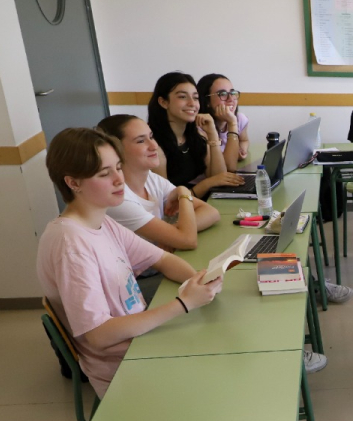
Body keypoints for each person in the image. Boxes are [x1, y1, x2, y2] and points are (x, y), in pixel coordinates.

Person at [37, 128, 225, 398]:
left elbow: (163, 259)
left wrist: (197, 281)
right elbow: (98, 335)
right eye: (104, 174)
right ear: (73, 183)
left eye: (118, 168)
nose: (118, 180)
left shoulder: (103, 221)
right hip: (124, 368)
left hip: (143, 341)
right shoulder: (71, 245)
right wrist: (184, 303)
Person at [96, 114, 221, 250]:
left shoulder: (150, 178)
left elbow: (211, 212)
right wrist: (184, 193)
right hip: (141, 272)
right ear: (116, 150)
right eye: (140, 141)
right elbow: (188, 240)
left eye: (151, 137)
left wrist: (171, 233)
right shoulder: (117, 198)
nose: (154, 145)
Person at [146, 71, 244, 196]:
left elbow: (220, 178)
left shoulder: (197, 136)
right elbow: (165, 204)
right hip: (176, 210)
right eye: (182, 97)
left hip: (195, 203)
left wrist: (213, 134)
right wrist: (206, 184)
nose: (192, 103)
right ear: (163, 102)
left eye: (195, 97)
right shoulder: (154, 146)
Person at [197, 73, 249, 171]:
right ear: (207, 101)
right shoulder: (201, 126)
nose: (231, 99)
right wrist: (232, 123)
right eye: (223, 94)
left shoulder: (240, 119)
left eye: (232, 93)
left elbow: (244, 140)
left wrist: (242, 149)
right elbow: (228, 168)